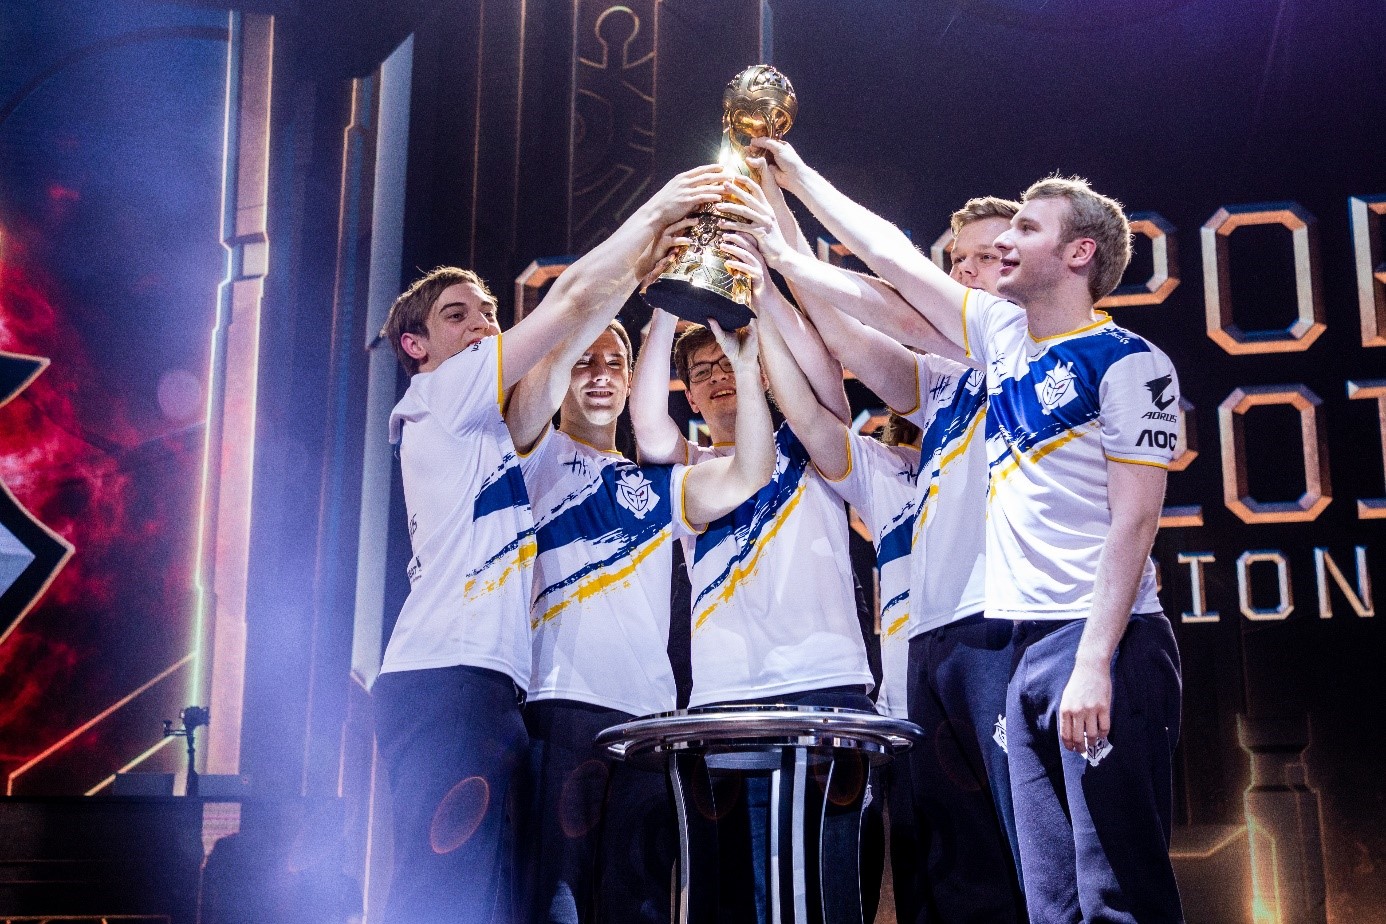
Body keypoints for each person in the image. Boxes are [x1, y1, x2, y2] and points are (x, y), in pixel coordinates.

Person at [756, 136, 1184, 923]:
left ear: (1079, 252)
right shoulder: (1001, 344)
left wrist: (1095, 658)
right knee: (1046, 897)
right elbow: (885, 262)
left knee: (1115, 889)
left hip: (1094, 637)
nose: (993, 254)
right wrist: (791, 190)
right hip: (1020, 647)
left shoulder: (1129, 360)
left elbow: (1137, 520)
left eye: (1022, 231)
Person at [372, 164, 737, 924]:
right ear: (415, 344)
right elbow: (568, 309)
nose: (481, 326)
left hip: (489, 686)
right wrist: (655, 222)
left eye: (487, 313)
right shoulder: (444, 393)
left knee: (488, 902)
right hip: (448, 677)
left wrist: (649, 278)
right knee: (444, 900)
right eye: (455, 316)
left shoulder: (490, 428)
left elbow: (566, 337)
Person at [717, 175, 1027, 921]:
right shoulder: (917, 432)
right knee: (933, 891)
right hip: (913, 698)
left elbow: (880, 291)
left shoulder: (1033, 361)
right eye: (958, 261)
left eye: (987, 257)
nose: (966, 273)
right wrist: (767, 251)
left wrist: (785, 203)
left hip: (1005, 648)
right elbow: (840, 336)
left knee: (1022, 874)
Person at [503, 305, 774, 923]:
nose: (600, 374)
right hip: (559, 707)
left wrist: (733, 355)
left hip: (647, 724)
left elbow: (751, 472)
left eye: (614, 364)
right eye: (583, 362)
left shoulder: (657, 485)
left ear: (631, 381)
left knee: (641, 904)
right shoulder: (531, 454)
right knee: (558, 902)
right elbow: (538, 380)